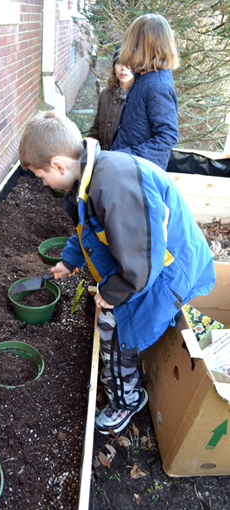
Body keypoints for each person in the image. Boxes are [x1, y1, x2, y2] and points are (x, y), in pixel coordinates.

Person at [18, 110, 215, 435]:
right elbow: (91, 229)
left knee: (116, 327)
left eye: (41, 177)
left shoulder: (114, 189)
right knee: (111, 315)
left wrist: (110, 294)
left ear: (58, 165)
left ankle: (128, 399)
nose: (43, 184)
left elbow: (143, 263)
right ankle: (121, 378)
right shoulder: (94, 175)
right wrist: (70, 260)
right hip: (151, 264)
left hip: (167, 272)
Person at [110, 14, 179, 171]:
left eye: (131, 43)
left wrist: (130, 157)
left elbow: (168, 137)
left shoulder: (158, 86)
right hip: (127, 167)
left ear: (141, 47)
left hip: (140, 173)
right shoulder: (143, 77)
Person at [87, 43, 134, 150]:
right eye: (119, 63)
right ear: (114, 67)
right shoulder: (106, 94)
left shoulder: (139, 97)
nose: (123, 68)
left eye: (129, 63)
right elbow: (96, 129)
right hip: (104, 157)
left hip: (125, 161)